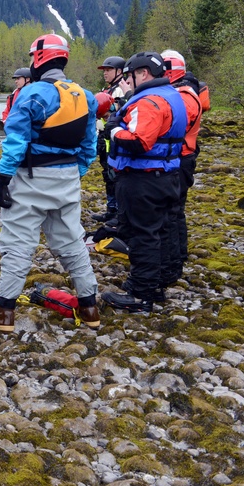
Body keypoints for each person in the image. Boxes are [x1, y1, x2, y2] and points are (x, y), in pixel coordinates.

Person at [0, 33, 101, 332]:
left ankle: (4, 313)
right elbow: (90, 145)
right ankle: (90, 308)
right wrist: (74, 173)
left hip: (30, 179)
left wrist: (3, 179)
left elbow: (16, 141)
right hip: (66, 179)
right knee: (72, 243)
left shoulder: (31, 94)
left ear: (39, 58)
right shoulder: (86, 96)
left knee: (18, 244)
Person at [101, 52, 187, 313]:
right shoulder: (172, 94)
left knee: (142, 235)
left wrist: (113, 128)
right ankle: (155, 286)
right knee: (159, 231)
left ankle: (141, 295)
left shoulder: (149, 101)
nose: (128, 80)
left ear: (143, 74)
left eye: (130, 75)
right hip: (165, 176)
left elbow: (139, 141)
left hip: (143, 178)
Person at [160, 49, 204, 293]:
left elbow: (176, 125)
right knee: (175, 211)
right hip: (182, 157)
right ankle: (177, 258)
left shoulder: (185, 94)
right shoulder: (185, 91)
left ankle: (173, 264)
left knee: (172, 211)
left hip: (181, 159)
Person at [91, 56, 127, 222]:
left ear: (119, 71)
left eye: (109, 70)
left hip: (112, 139)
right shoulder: (109, 89)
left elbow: (119, 111)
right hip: (103, 137)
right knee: (107, 174)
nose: (105, 73)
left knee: (114, 176)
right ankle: (111, 210)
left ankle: (118, 212)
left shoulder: (120, 89)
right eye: (104, 70)